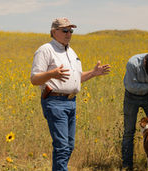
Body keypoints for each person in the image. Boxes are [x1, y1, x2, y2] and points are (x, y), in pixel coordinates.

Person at [30, 17, 110, 171]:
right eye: (65, 30)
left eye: (71, 30)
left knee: (69, 145)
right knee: (62, 146)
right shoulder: (45, 50)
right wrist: (52, 74)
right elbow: (34, 79)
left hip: (71, 102)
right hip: (54, 102)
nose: (69, 34)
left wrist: (93, 73)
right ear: (54, 32)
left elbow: (75, 79)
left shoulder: (71, 52)